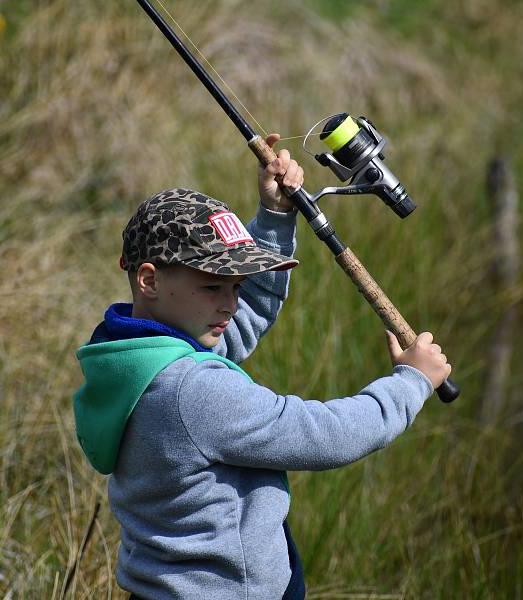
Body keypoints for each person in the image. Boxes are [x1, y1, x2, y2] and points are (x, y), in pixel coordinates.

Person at [72, 135, 451, 599]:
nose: (230, 302)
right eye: (215, 287)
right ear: (149, 279)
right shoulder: (190, 391)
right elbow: (322, 434)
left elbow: (244, 315)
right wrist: (411, 384)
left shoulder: (134, 359)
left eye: (238, 283)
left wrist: (274, 216)